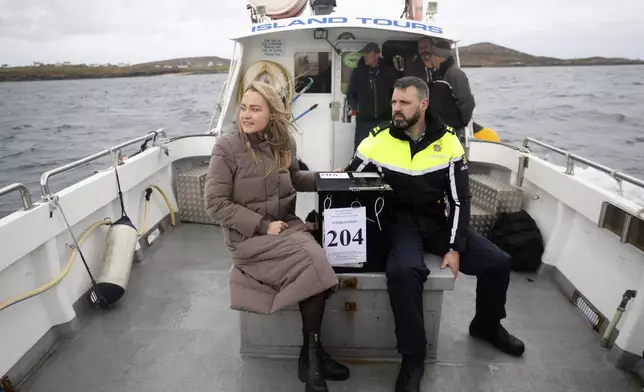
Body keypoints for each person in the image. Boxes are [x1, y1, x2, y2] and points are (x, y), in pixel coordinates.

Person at [340, 77, 525, 392]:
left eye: (404, 103)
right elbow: (346, 180)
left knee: (497, 262)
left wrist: (454, 248)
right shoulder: (376, 140)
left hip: (437, 219)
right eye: (394, 102)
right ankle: (413, 359)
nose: (396, 109)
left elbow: (458, 200)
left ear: (423, 104)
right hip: (398, 221)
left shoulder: (449, 142)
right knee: (404, 272)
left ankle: (487, 325)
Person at [204, 81, 349, 392]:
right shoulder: (226, 148)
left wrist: (329, 177)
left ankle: (312, 352)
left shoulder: (284, 143)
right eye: (243, 107)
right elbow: (215, 204)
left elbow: (295, 179)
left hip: (285, 225)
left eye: (255, 108)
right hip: (248, 239)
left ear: (272, 113)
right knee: (314, 259)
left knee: (325, 251)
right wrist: (261, 225)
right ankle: (311, 357)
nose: (246, 114)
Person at [407, 38, 475, 145]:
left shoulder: (455, 74)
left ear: (439, 57)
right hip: (439, 130)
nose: (430, 57)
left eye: (432, 55)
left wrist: (460, 123)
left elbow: (467, 102)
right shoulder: (438, 74)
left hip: (452, 131)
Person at [346, 42, 399, 151]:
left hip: (385, 120)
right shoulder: (358, 72)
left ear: (377, 55)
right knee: (361, 149)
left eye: (368, 53)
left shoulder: (389, 72)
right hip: (364, 121)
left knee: (384, 150)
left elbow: (397, 92)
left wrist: (392, 107)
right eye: (364, 53)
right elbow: (350, 94)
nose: (365, 56)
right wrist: (359, 107)